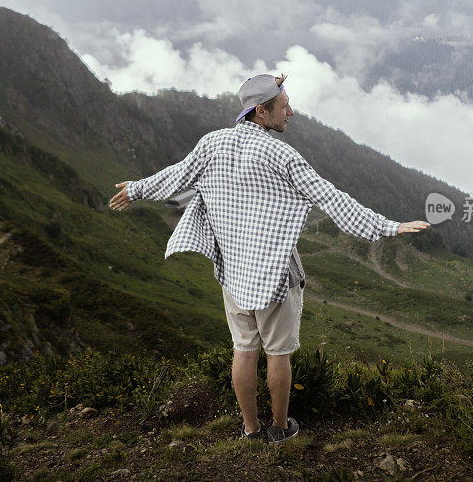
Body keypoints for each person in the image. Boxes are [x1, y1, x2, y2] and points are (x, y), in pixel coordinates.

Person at [108, 73, 431, 444]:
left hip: (233, 274)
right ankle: (279, 429)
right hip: (275, 274)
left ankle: (250, 429)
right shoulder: (281, 155)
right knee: (278, 354)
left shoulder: (212, 144)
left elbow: (176, 176)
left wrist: (136, 189)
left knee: (243, 351)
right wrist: (388, 227)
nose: (290, 111)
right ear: (261, 111)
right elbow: (331, 197)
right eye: (283, 106)